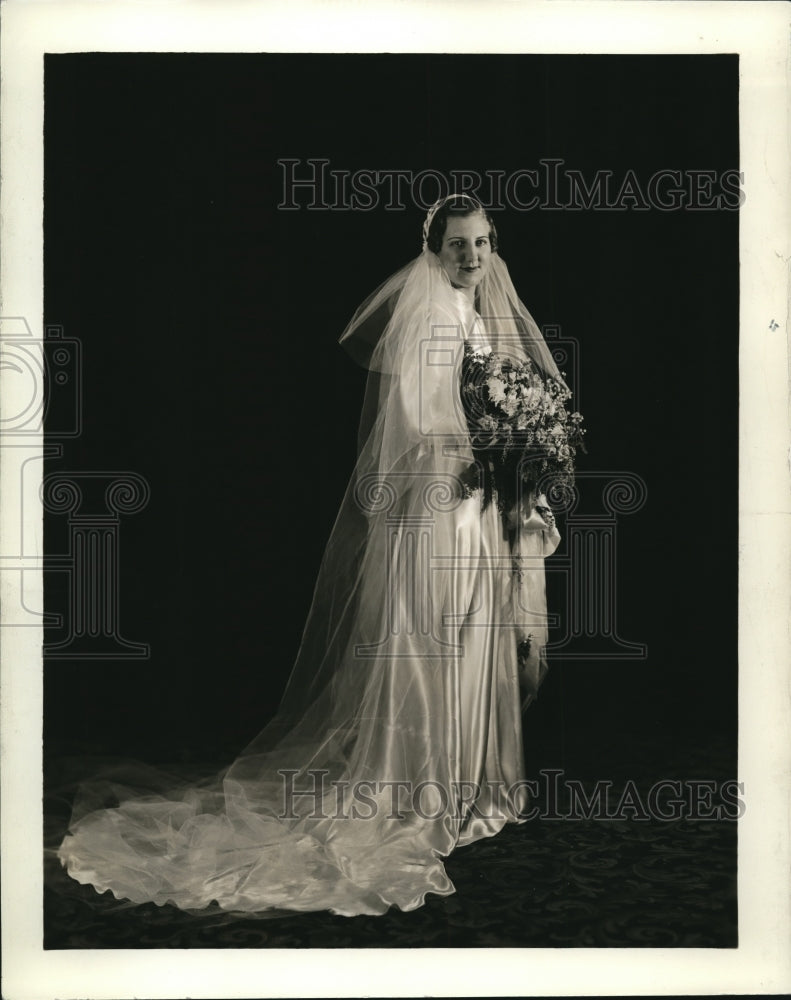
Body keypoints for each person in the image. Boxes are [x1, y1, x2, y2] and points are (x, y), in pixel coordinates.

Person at [56, 195, 579, 918]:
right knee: (435, 640)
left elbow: (497, 394)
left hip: (476, 499)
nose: (473, 258)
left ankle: (467, 785)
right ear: (433, 250)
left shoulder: (481, 315)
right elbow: (418, 421)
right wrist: (486, 441)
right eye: (458, 245)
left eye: (483, 243)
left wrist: (519, 439)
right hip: (440, 499)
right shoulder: (426, 313)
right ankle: (422, 787)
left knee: (472, 638)